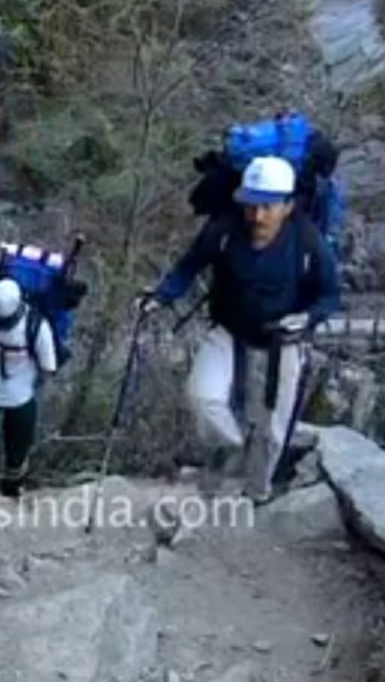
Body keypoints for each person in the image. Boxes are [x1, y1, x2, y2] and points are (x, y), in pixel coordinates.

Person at [138, 156, 340, 504]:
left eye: (267, 207)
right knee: (203, 396)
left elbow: (330, 294)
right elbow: (189, 265)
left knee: (272, 428)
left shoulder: (307, 240)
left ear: (288, 206)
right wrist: (161, 297)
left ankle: (256, 493)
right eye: (251, 205)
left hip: (283, 340)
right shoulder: (225, 230)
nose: (257, 216)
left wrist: (308, 318)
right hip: (229, 329)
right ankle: (230, 450)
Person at [0, 278, 58, 497]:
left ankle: (11, 487)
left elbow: (48, 366)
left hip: (19, 394)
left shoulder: (36, 327)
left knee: (17, 450)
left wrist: (36, 384)